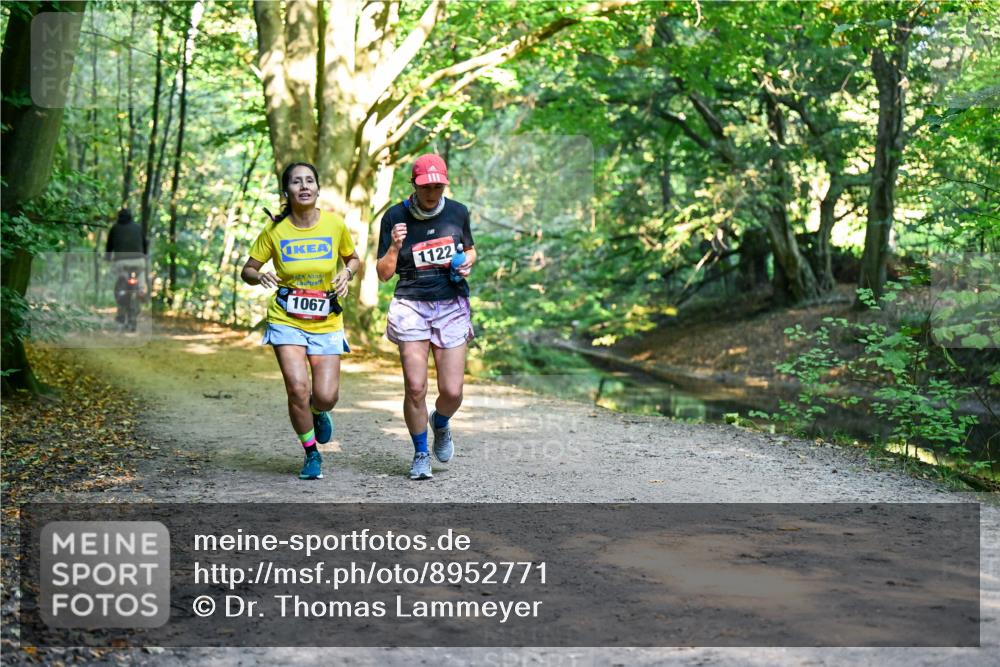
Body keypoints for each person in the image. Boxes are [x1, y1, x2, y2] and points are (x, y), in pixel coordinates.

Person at [241, 162, 362, 481]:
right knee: (297, 388)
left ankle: (319, 411)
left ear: (318, 189)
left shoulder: (334, 225)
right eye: (297, 182)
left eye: (310, 180)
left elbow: (353, 259)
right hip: (286, 318)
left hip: (325, 319)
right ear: (287, 191)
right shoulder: (275, 230)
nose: (304, 186)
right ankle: (311, 454)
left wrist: (346, 273)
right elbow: (248, 269)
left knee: (325, 396)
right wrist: (260, 275)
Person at [376, 153, 476, 480]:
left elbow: (470, 249)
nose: (432, 191)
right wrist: (394, 246)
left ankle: (442, 422)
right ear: (414, 185)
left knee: (452, 391)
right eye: (425, 185)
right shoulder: (394, 217)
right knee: (415, 387)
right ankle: (420, 453)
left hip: (450, 302)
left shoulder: (458, 212)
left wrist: (467, 262)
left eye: (437, 185)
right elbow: (383, 273)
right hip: (411, 302)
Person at [104, 208, 147, 325]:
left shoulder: (115, 228)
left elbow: (109, 247)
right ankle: (141, 290)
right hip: (139, 262)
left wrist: (107, 258)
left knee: (119, 285)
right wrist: (144, 256)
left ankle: (121, 312)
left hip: (121, 263)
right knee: (141, 274)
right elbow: (145, 244)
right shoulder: (138, 227)